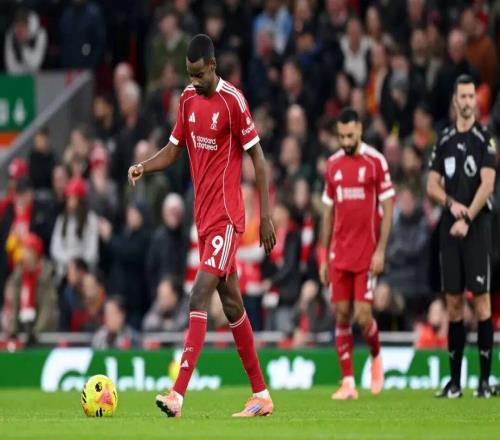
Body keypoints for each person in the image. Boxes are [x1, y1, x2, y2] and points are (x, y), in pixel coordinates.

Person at [128, 34, 276, 418]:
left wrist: (266, 215)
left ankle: (177, 394)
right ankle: (261, 395)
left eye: (199, 74)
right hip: (204, 220)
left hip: (227, 218)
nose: (194, 81)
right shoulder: (187, 100)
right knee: (232, 305)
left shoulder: (233, 101)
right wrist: (144, 166)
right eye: (189, 74)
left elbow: (258, 159)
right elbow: (173, 149)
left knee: (198, 297)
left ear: (212, 65)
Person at [427, 74, 496, 398]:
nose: (468, 102)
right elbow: (431, 185)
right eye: (463, 97)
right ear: (455, 100)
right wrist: (451, 205)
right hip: (449, 229)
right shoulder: (444, 139)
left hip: (477, 228)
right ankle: (454, 383)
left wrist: (466, 216)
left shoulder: (485, 139)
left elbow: (488, 185)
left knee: (481, 302)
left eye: (472, 97)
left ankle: (484, 382)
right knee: (453, 303)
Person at [318, 107, 395, 400]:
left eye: (350, 135)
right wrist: (324, 255)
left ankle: (376, 357)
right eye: (341, 136)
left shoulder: (375, 162)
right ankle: (348, 382)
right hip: (339, 253)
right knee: (341, 313)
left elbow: (388, 207)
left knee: (363, 316)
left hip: (366, 254)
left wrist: (381, 250)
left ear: (360, 130)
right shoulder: (333, 165)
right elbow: (327, 213)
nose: (346, 141)